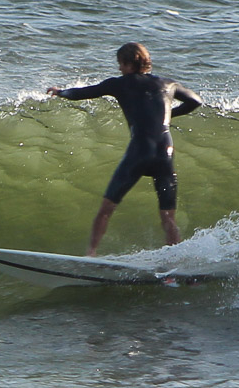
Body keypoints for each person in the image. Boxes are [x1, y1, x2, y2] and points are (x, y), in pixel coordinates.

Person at [47, 42, 203, 254]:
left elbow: (86, 92)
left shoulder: (119, 84)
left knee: (106, 209)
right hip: (165, 151)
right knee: (167, 217)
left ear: (129, 64)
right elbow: (196, 101)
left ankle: (90, 255)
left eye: (120, 64)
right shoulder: (168, 84)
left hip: (140, 150)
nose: (119, 68)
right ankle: (177, 262)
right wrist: (167, 116)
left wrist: (61, 92)